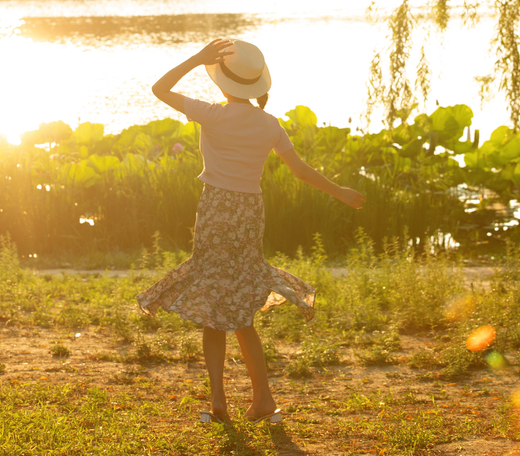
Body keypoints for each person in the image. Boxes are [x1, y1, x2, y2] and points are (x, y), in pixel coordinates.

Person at [137, 38, 364, 425]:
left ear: (224, 83)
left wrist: (195, 59)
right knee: (240, 306)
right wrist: (339, 191)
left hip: (214, 210)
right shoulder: (269, 124)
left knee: (214, 303)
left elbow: (159, 89)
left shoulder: (211, 114)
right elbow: (301, 171)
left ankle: (220, 402)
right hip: (249, 214)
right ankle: (261, 398)